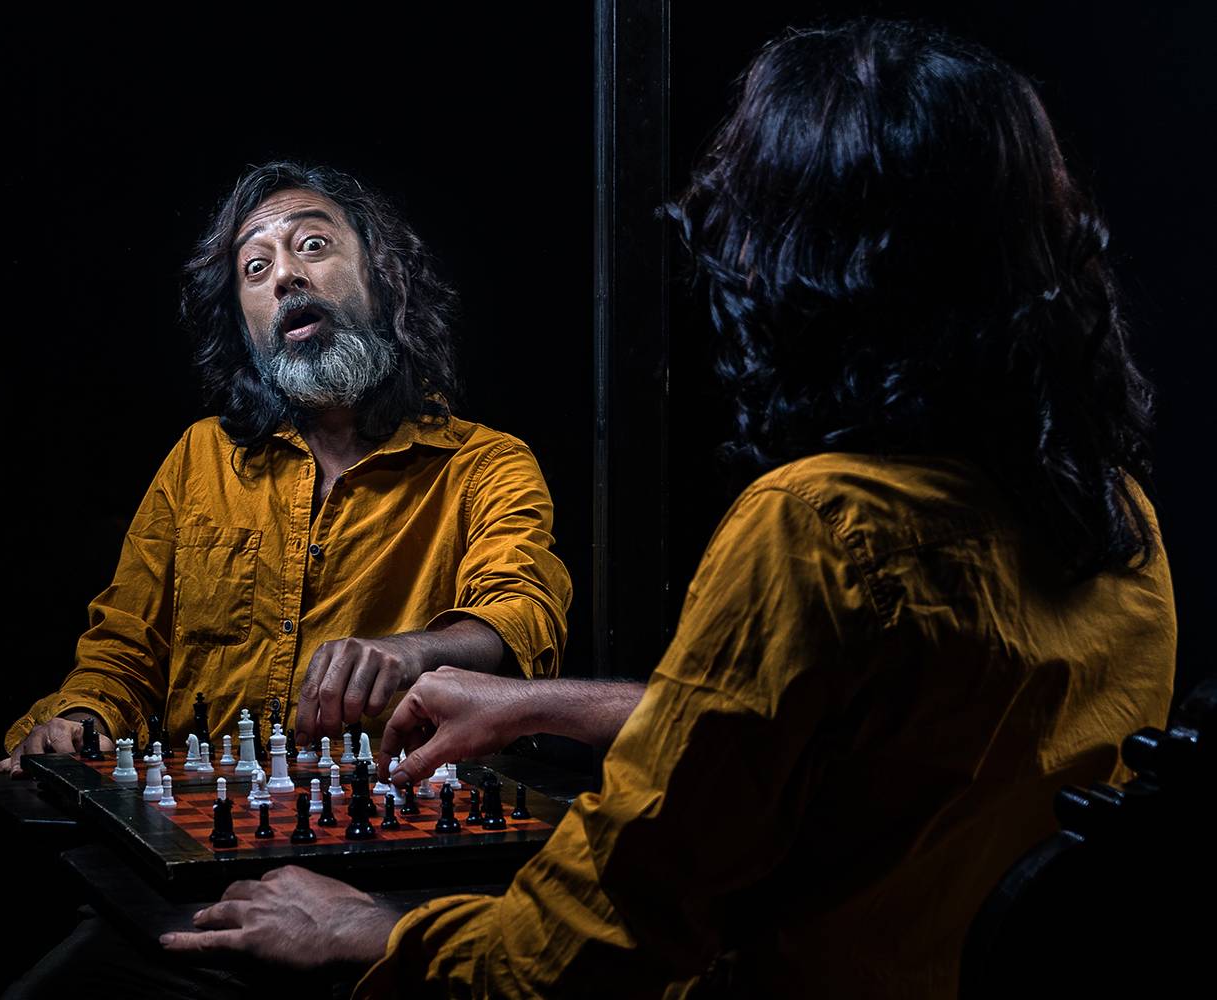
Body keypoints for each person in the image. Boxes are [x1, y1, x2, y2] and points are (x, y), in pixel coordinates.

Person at [161, 20, 1177, 997]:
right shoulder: (1121, 522)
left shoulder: (818, 528)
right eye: (257, 265)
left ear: (818, 261)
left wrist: (370, 930)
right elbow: (840, 742)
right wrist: (545, 704)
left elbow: (580, 953)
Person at [0, 162, 572, 779]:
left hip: (389, 805)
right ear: (244, 325)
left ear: (383, 277)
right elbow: (127, 647)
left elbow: (520, 617)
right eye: (255, 268)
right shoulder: (198, 459)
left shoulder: (485, 464)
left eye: (313, 245)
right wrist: (82, 720)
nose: (285, 275)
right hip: (208, 809)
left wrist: (413, 651)